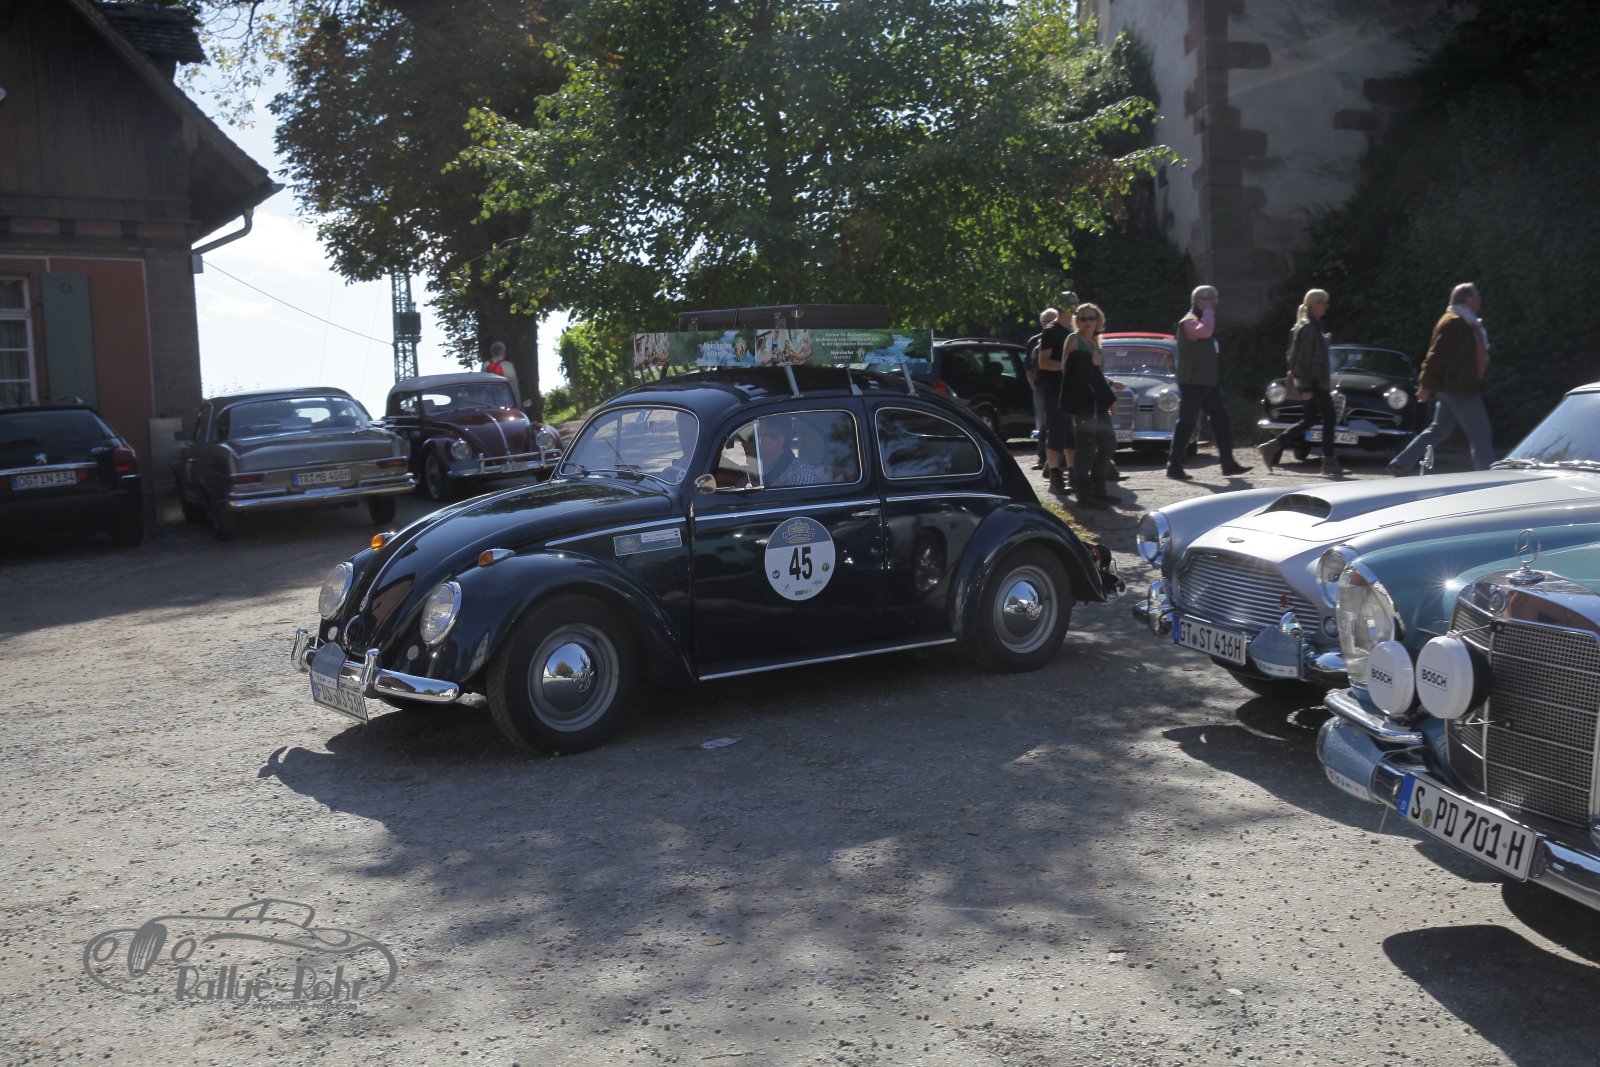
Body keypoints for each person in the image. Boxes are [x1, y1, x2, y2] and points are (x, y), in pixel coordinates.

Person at [1388, 282, 1494, 474]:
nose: (1480, 298)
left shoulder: (1464, 321)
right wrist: (1425, 385)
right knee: (1480, 432)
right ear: (1467, 299)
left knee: (1439, 430)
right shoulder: (1454, 322)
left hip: (1453, 386)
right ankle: (1488, 475)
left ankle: (1400, 463)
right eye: (1476, 295)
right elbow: (1436, 356)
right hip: (1459, 388)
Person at [1165, 285, 1251, 480]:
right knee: (1187, 422)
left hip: (1207, 382)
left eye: (1216, 298)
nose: (1215, 302)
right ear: (1199, 301)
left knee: (1221, 419)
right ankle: (1173, 466)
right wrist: (1209, 313)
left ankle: (1228, 464)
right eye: (1211, 298)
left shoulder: (1201, 319)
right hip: (1193, 381)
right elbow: (1205, 332)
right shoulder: (1189, 322)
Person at [1258, 289, 1341, 476]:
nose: (1326, 306)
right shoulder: (1308, 327)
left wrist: (1325, 342)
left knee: (1310, 419)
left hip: (1315, 381)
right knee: (1329, 417)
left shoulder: (1311, 326)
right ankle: (1328, 461)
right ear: (1314, 304)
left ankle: (1271, 447)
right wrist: (1305, 387)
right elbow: (1300, 360)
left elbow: (1311, 354)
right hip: (1314, 381)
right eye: (1324, 303)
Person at [1061, 303, 1118, 507]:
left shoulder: (1095, 341)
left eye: (1091, 318)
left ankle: (1099, 489)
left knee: (1108, 444)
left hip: (1098, 400)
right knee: (1086, 447)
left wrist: (1110, 393)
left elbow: (1097, 374)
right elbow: (1067, 370)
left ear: (1098, 320)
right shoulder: (1073, 339)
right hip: (1082, 402)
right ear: (1077, 321)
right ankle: (1084, 494)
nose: (1088, 322)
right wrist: (1088, 361)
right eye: (1083, 318)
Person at [1033, 307, 1076, 493]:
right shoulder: (1051, 331)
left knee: (1071, 435)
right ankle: (1055, 477)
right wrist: (1067, 366)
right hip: (1053, 390)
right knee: (1056, 433)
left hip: (1069, 390)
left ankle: (1073, 475)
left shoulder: (1072, 330)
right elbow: (1044, 362)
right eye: (1071, 305)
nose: (1075, 308)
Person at [751, 416, 824, 488]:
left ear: (778, 441)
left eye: (758, 435)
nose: (752, 440)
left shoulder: (800, 473)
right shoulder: (754, 469)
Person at [483, 341, 522, 405]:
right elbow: (514, 386)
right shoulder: (508, 366)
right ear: (503, 352)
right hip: (504, 401)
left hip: (489, 400)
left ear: (491, 352)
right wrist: (517, 403)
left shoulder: (485, 365)